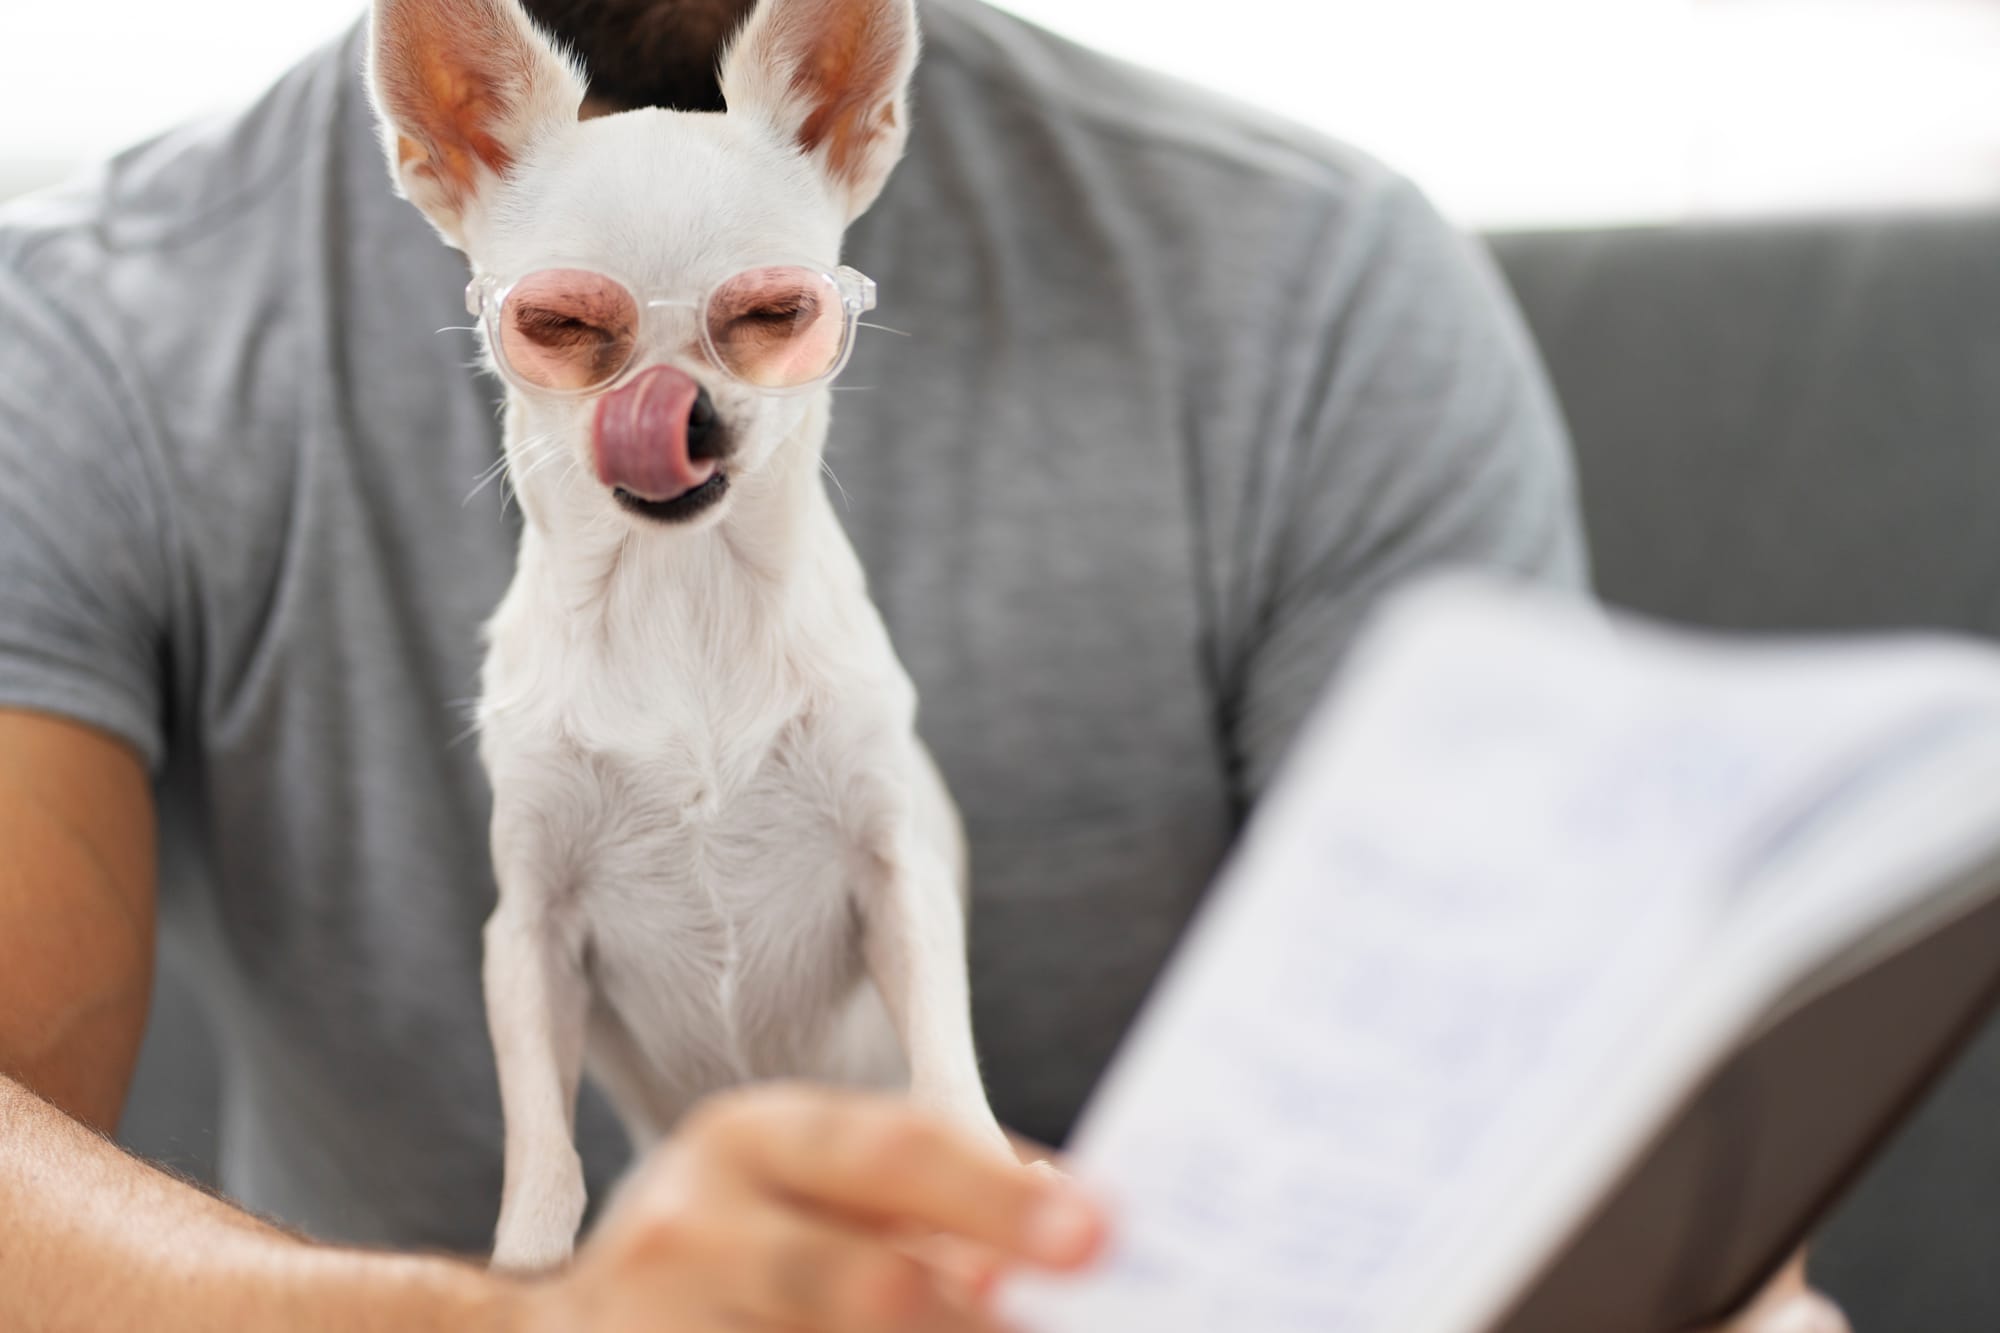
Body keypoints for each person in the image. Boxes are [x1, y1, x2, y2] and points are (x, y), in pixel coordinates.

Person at [0, 0, 1844, 1328]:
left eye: (768, 320)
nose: (673, 391)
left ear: (852, 123)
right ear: (445, 149)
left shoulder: (1316, 295)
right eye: (568, 328)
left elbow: (1548, 1107)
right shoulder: (89, 339)